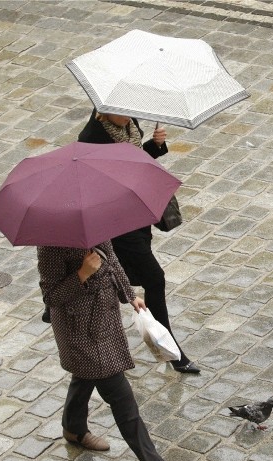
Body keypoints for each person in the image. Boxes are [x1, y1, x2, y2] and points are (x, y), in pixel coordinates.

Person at [38, 242, 188, 461]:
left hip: (104, 322)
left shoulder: (95, 226)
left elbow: (113, 261)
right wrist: (82, 274)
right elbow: (51, 297)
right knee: (121, 398)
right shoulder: (50, 247)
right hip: (78, 332)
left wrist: (129, 295)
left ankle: (73, 428)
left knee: (85, 375)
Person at [76, 109, 199, 373]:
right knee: (155, 277)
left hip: (137, 212)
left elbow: (133, 160)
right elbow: (94, 181)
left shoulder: (127, 126)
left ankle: (106, 285)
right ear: (104, 112)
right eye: (121, 113)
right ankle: (172, 350)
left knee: (130, 272)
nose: (128, 117)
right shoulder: (91, 139)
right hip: (117, 220)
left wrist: (154, 147)